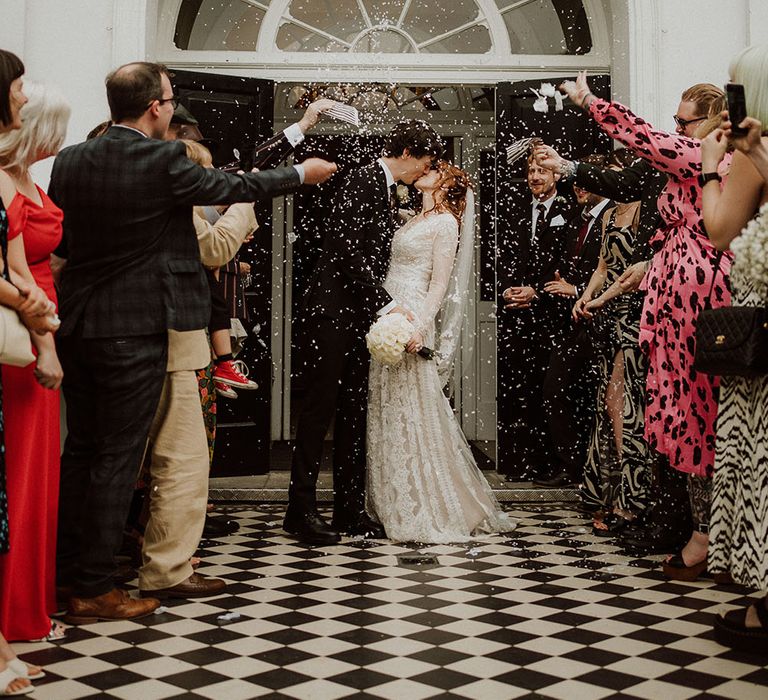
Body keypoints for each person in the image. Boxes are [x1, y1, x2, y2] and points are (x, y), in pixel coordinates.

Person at [50, 61, 336, 623]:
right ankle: (93, 588)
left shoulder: (70, 159)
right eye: (170, 96)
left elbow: (74, 237)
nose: (171, 104)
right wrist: (299, 174)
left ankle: (65, 571)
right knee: (117, 459)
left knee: (83, 453)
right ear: (156, 107)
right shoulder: (161, 160)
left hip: (80, 324)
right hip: (135, 331)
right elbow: (234, 185)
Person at [559, 72, 730, 580]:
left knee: (701, 415)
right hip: (672, 291)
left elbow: (643, 138)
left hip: (699, 298)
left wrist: (590, 101)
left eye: (684, 121)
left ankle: (707, 535)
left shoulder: (705, 157)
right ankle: (700, 529)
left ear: (713, 121)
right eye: (676, 121)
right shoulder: (698, 165)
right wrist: (650, 267)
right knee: (689, 413)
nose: (676, 128)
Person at [286, 119, 444, 545]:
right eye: (425, 162)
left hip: (357, 320)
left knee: (355, 414)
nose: (424, 171)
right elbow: (343, 247)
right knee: (319, 413)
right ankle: (299, 511)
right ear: (408, 153)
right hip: (331, 315)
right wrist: (387, 303)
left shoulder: (387, 188)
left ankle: (349, 509)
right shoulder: (362, 179)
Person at [366, 160, 513, 542]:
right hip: (389, 309)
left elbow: (440, 285)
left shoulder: (446, 223)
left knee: (415, 408)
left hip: (412, 311)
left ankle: (427, 502)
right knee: (389, 407)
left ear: (447, 183)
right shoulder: (414, 217)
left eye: (435, 169)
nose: (426, 171)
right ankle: (393, 496)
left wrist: (417, 327)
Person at [700, 43, 768, 649]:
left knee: (761, 470)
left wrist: (708, 167)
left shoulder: (750, 158)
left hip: (762, 344)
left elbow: (720, 231)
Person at [0, 82, 69, 643]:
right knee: (17, 472)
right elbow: (17, 274)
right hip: (18, 330)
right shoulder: (7, 182)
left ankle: (32, 608)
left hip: (42, 315)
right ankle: (14, 615)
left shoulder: (29, 181)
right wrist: (43, 334)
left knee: (41, 469)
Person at [568, 150, 646, 533]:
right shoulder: (611, 216)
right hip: (608, 314)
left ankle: (633, 498)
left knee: (622, 405)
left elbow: (633, 276)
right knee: (608, 403)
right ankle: (610, 492)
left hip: (635, 313)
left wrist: (600, 299)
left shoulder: (646, 212)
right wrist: (586, 295)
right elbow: (602, 265)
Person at [537, 158, 613, 488]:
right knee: (557, 391)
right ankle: (574, 465)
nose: (579, 187)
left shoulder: (615, 217)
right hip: (573, 324)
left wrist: (579, 289)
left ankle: (595, 473)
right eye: (577, 181)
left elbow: (617, 269)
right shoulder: (577, 219)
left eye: (587, 181)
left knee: (599, 400)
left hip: (603, 323)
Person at [498, 152, 575, 479]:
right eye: (530, 171)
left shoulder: (569, 212)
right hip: (517, 319)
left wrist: (538, 293)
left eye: (542, 170)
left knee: (551, 394)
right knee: (521, 392)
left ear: (555, 176)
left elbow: (568, 268)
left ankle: (556, 464)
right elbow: (501, 259)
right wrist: (506, 290)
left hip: (554, 320)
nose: (535, 176)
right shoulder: (515, 212)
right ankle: (522, 464)